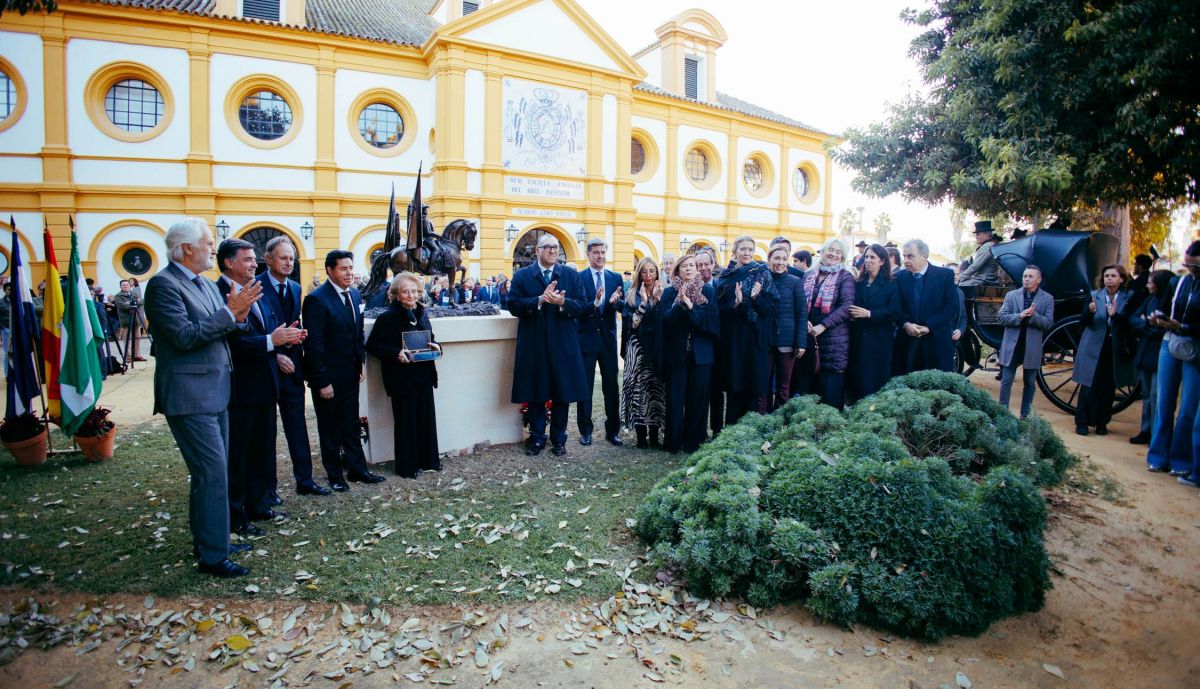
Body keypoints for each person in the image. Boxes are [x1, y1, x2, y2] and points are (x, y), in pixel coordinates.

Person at [144, 217, 261, 578]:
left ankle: (209, 539)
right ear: (186, 248)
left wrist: (237, 315)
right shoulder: (163, 286)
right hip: (189, 394)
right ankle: (213, 556)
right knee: (212, 472)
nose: (214, 247)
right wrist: (230, 312)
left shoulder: (206, 285)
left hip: (216, 390)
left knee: (209, 474)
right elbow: (183, 336)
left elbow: (226, 327)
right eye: (208, 242)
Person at [217, 238, 305, 536]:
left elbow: (271, 329)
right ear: (229, 263)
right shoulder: (218, 293)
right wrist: (272, 342)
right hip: (240, 388)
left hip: (266, 384)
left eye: (255, 260)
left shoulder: (257, 290)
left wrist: (282, 343)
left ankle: (260, 503)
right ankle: (236, 515)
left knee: (263, 449)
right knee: (239, 454)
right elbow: (232, 342)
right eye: (248, 259)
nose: (254, 264)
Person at [303, 249, 386, 490]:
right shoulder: (317, 299)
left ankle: (358, 470)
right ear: (330, 270)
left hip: (350, 373)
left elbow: (357, 332)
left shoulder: (355, 294)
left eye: (351, 268)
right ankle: (335, 475)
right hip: (328, 376)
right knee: (330, 426)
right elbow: (314, 345)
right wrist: (322, 381)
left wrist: (359, 362)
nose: (349, 273)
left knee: (350, 422)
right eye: (343, 268)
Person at [257, 237, 330, 497]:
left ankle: (305, 481)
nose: (289, 262)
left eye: (291, 258)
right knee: (265, 433)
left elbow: (290, 325)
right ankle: (268, 490)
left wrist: (298, 336)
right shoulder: (255, 286)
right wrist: (274, 355)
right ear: (268, 259)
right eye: (283, 258)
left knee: (297, 426)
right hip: (266, 367)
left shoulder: (297, 288)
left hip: (294, 368)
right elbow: (255, 330)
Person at [507, 235, 588, 456]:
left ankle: (559, 440)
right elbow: (512, 304)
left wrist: (563, 302)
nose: (553, 251)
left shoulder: (570, 275)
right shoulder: (523, 276)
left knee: (562, 392)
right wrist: (539, 300)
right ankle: (537, 438)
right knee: (536, 392)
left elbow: (582, 305)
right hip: (534, 345)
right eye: (548, 247)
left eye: (556, 247)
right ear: (537, 251)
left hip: (563, 344)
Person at [366, 273, 443, 478]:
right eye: (406, 291)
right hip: (401, 378)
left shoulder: (422, 314)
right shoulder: (387, 318)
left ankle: (429, 461)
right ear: (396, 295)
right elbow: (373, 345)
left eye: (415, 291)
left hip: (424, 375)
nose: (411, 295)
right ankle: (407, 467)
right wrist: (395, 353)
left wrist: (438, 347)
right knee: (406, 422)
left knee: (426, 418)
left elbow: (431, 339)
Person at [1147, 241, 1200, 481]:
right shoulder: (1179, 282)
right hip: (1170, 342)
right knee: (1163, 402)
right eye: (1189, 265)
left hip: (1194, 346)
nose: (1192, 270)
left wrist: (1185, 326)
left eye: (1196, 267)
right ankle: (1158, 456)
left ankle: (1182, 460)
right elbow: (1164, 306)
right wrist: (1157, 318)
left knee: (1188, 406)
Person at [660, 254, 720, 453]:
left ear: (697, 269)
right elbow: (665, 321)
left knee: (698, 400)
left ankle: (694, 443)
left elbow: (712, 323)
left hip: (702, 355)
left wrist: (692, 306)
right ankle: (674, 442)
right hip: (677, 355)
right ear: (677, 270)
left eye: (692, 266)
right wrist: (680, 304)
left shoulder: (709, 291)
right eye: (684, 266)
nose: (688, 269)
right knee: (676, 400)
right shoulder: (669, 293)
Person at [716, 236, 779, 423]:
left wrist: (755, 297)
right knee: (735, 387)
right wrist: (735, 304)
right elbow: (719, 309)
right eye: (743, 249)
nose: (747, 253)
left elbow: (769, 310)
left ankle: (749, 431)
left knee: (752, 387)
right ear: (734, 252)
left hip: (754, 337)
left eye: (750, 249)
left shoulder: (762, 273)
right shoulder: (725, 276)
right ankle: (732, 431)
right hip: (734, 339)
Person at [1072, 265, 1135, 436]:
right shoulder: (1095, 295)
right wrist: (1090, 312)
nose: (1109, 279)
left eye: (1113, 275)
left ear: (1121, 279)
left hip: (1113, 348)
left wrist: (1115, 316)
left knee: (1108, 387)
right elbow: (1082, 322)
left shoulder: (1128, 298)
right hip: (1093, 345)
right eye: (1106, 275)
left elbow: (1130, 323)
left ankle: (1102, 422)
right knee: (1088, 384)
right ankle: (1082, 422)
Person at [793, 237, 856, 408]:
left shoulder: (845, 276)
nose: (834, 254)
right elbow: (799, 302)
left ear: (842, 256)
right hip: (808, 339)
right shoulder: (809, 275)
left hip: (834, 342)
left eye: (838, 252)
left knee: (830, 395)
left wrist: (823, 325)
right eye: (831, 250)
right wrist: (803, 320)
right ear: (823, 251)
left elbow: (846, 306)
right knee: (808, 391)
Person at [575, 239, 625, 447]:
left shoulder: (615, 277)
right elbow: (577, 308)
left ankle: (613, 431)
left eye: (603, 252)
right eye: (596, 252)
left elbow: (623, 306)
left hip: (607, 341)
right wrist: (594, 304)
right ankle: (585, 431)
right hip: (586, 339)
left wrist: (616, 302)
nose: (600, 256)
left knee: (611, 387)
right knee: (585, 387)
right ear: (588, 254)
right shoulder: (579, 278)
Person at [995, 266, 1054, 419]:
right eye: (1024, 276)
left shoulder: (1047, 298)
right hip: (1012, 345)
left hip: (1031, 347)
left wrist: (1033, 317)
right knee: (1006, 381)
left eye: (1030, 276)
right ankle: (1003, 414)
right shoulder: (1011, 295)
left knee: (1029, 383)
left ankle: (1025, 416)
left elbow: (1048, 323)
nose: (1026, 279)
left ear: (1038, 279)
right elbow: (1001, 318)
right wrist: (1020, 316)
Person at [894, 238, 959, 374]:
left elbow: (951, 307)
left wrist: (929, 327)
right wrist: (905, 324)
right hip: (907, 344)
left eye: (910, 256)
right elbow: (895, 308)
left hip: (936, 343)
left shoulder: (944, 275)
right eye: (904, 256)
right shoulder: (898, 277)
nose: (905, 260)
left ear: (924, 256)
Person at [621, 257, 666, 448]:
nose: (648, 275)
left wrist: (655, 301)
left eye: (652, 271)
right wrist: (644, 303)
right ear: (639, 273)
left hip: (656, 348)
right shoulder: (631, 294)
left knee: (655, 389)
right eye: (644, 271)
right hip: (636, 348)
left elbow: (664, 321)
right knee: (638, 390)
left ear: (657, 273)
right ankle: (640, 437)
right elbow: (631, 323)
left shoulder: (664, 293)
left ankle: (654, 436)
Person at [848, 243, 900, 400]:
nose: (868, 260)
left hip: (879, 340)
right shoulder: (859, 282)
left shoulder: (891, 284)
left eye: (872, 257)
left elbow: (894, 312)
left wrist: (870, 314)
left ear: (882, 261)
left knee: (875, 380)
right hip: (858, 338)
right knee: (857, 378)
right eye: (866, 257)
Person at [1126, 269, 1173, 444]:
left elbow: (1162, 328)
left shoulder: (1168, 303)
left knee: (1156, 395)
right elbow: (1133, 318)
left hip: (1159, 352)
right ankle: (1146, 429)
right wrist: (1147, 323)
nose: (1147, 284)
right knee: (1147, 394)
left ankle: (1156, 432)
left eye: (1150, 282)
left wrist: (1145, 325)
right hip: (1146, 351)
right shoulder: (1150, 299)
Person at [760, 245, 807, 411]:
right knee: (762, 385)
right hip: (765, 341)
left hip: (786, 342)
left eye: (784, 259)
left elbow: (802, 314)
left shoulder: (795, 282)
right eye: (776, 258)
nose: (780, 262)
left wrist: (801, 342)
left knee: (783, 386)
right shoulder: (762, 280)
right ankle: (762, 420)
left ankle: (779, 423)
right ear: (769, 260)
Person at [957, 221, 1001, 287]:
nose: (976, 237)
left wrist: (960, 277)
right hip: (986, 279)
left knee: (959, 286)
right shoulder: (989, 245)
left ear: (986, 233)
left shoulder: (987, 246)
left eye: (978, 234)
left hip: (985, 280)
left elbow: (975, 266)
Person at [113, 280, 145, 362]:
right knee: (127, 338)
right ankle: (129, 357)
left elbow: (142, 301)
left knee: (137, 337)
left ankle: (137, 355)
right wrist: (134, 303)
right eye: (123, 285)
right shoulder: (118, 296)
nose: (126, 286)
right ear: (120, 287)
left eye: (127, 285)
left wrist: (131, 303)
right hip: (126, 320)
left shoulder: (134, 294)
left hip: (136, 319)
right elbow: (123, 306)